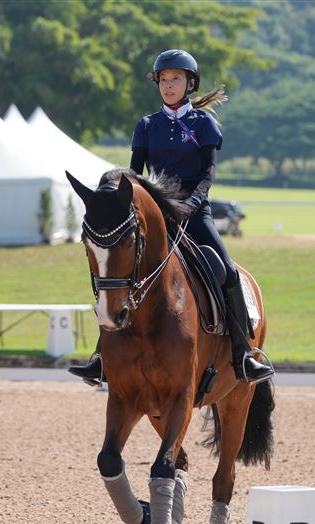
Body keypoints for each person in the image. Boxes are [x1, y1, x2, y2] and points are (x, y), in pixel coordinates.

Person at [69, 49, 274, 385]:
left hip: (194, 212)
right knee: (121, 274)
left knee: (225, 270)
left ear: (190, 83)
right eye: (164, 80)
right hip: (157, 216)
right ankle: (102, 357)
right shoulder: (147, 125)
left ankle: (243, 354)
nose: (168, 85)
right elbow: (134, 176)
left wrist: (195, 200)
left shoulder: (203, 123)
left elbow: (208, 172)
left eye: (176, 79)